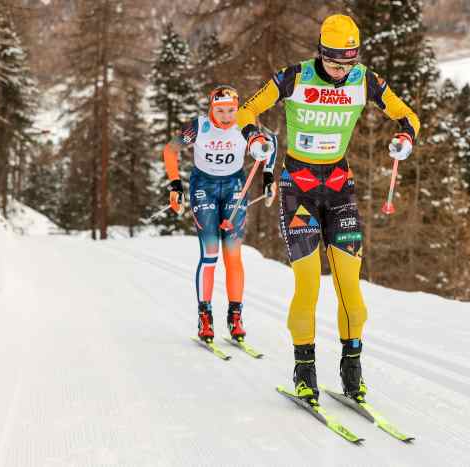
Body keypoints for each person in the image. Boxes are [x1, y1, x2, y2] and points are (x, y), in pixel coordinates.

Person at [236, 14, 420, 403]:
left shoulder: (365, 80)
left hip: (339, 189)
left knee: (351, 289)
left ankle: (351, 369)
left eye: (349, 63)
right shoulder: (295, 77)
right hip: (297, 189)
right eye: (335, 63)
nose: (342, 72)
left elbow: (408, 114)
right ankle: (305, 369)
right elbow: (246, 110)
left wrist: (406, 136)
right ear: (321, 52)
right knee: (307, 285)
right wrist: (253, 137)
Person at [163, 85, 276, 343]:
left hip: (235, 186)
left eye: (231, 111)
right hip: (204, 187)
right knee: (211, 253)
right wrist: (175, 184)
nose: (227, 116)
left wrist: (269, 178)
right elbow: (170, 150)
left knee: (233, 255)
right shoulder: (199, 127)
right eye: (221, 110)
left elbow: (271, 144)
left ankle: (235, 315)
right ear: (211, 108)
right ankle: (205, 315)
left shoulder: (245, 126)